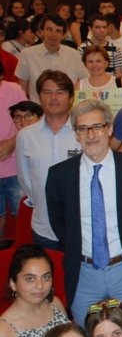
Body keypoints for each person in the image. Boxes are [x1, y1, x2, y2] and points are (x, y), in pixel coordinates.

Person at [46, 99, 122, 337]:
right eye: (83, 129)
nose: (91, 134)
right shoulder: (60, 175)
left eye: (97, 126)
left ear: (110, 129)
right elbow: (59, 222)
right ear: (76, 134)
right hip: (84, 273)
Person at [16, 71, 82, 249]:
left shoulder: (83, 132)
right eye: (47, 92)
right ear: (39, 96)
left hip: (82, 227)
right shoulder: (25, 136)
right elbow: (25, 179)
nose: (53, 97)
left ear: (70, 97)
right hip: (43, 226)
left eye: (60, 91)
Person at [15, 14, 88, 102]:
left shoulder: (74, 55)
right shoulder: (27, 54)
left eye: (58, 31)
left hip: (67, 110)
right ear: (41, 31)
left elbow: (84, 82)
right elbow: (22, 88)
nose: (53, 34)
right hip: (38, 110)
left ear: (64, 35)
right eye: (49, 29)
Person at [0, 61, 26, 241]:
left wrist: (13, 142)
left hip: (15, 166)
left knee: (21, 215)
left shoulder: (15, 90)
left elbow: (30, 122)